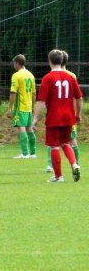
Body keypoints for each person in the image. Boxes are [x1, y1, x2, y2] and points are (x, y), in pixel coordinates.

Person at [33, 49, 82, 183]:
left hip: (54, 117)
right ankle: (74, 165)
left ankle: (58, 176)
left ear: (49, 61)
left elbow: (41, 101)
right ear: (62, 61)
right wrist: (78, 114)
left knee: (54, 146)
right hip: (68, 117)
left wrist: (35, 118)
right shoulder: (70, 77)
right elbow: (79, 97)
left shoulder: (48, 78)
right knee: (65, 143)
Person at [5, 54, 37, 159]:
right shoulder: (31, 75)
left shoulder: (16, 75)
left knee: (21, 129)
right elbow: (34, 93)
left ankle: (24, 153)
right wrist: (33, 107)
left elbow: (13, 92)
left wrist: (10, 108)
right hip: (28, 107)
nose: (14, 65)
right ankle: (33, 153)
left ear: (17, 63)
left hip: (19, 107)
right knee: (30, 129)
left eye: (14, 63)